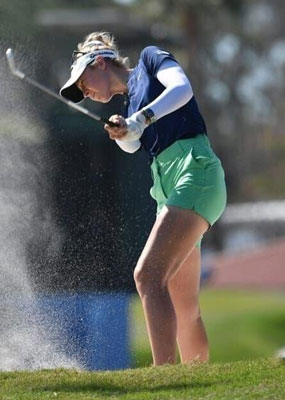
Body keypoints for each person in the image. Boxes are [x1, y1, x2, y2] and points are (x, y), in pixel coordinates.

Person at [60, 32, 226, 365]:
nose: (85, 92)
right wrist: (124, 131)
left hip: (194, 172)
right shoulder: (131, 103)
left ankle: (162, 378)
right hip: (170, 188)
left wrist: (139, 120)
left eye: (83, 82)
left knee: (147, 277)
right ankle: (200, 383)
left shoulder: (150, 60)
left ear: (100, 63)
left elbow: (181, 90)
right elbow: (134, 145)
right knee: (184, 306)